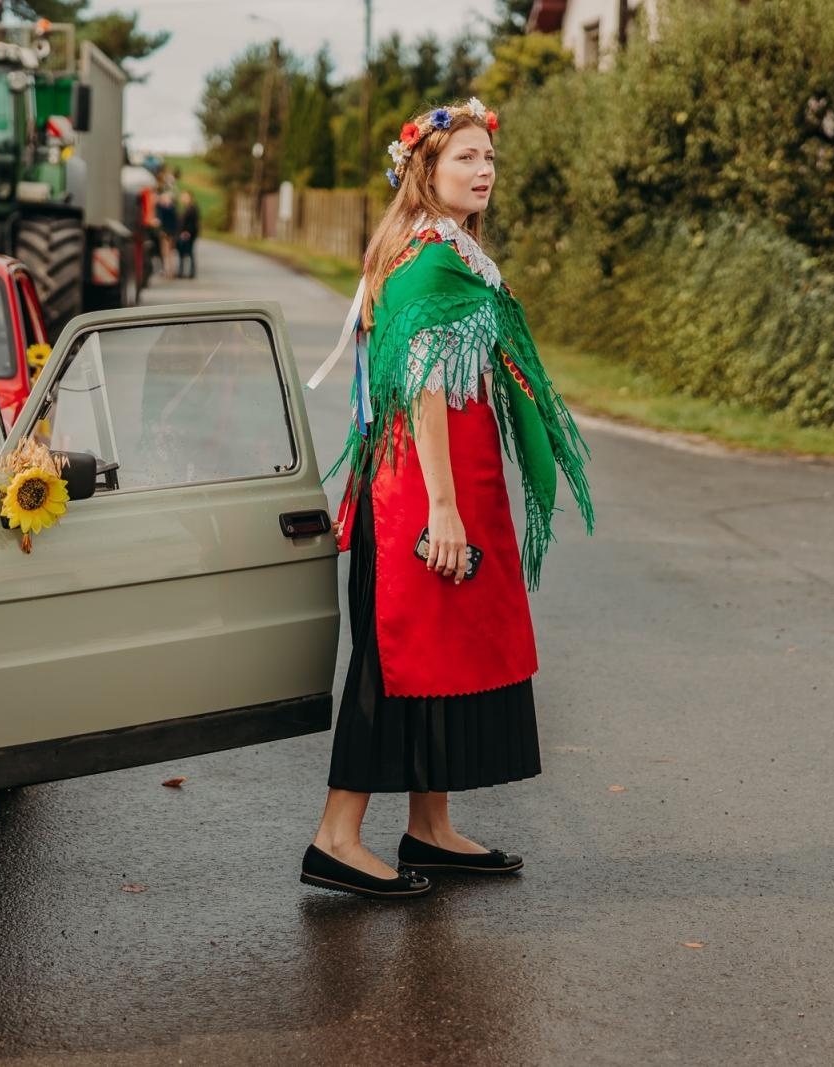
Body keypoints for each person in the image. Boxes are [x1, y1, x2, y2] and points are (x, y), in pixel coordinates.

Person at [301, 99, 596, 899]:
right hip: (418, 491)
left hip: (431, 481)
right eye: (466, 157)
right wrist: (443, 508)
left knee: (433, 661)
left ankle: (428, 828)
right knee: (392, 660)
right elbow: (425, 391)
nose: (485, 170)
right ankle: (336, 836)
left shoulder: (435, 249)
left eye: (489, 157)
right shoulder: (429, 258)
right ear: (426, 172)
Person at [175, 190, 200, 279]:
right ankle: (182, 271)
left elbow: (194, 223)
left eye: (184, 197)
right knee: (182, 253)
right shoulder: (185, 208)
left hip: (189, 234)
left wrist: (188, 232)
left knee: (189, 253)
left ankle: (191, 272)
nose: (183, 198)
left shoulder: (192, 208)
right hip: (184, 233)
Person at [155, 190, 178, 278]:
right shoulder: (171, 208)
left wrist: (159, 201)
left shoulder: (169, 208)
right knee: (167, 253)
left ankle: (169, 271)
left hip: (167, 232)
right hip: (168, 232)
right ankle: (169, 271)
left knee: (167, 253)